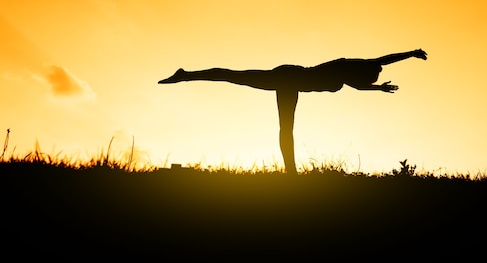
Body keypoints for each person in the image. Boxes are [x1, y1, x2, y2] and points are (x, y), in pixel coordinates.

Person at [158, 48, 428, 174]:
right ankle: (186, 75)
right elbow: (358, 85)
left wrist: (412, 53)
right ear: (364, 74)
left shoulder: (358, 67)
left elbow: (385, 60)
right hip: (288, 79)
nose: (372, 80)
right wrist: (378, 90)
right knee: (236, 78)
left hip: (292, 80)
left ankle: (290, 172)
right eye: (371, 79)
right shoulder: (348, 70)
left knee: (284, 125)